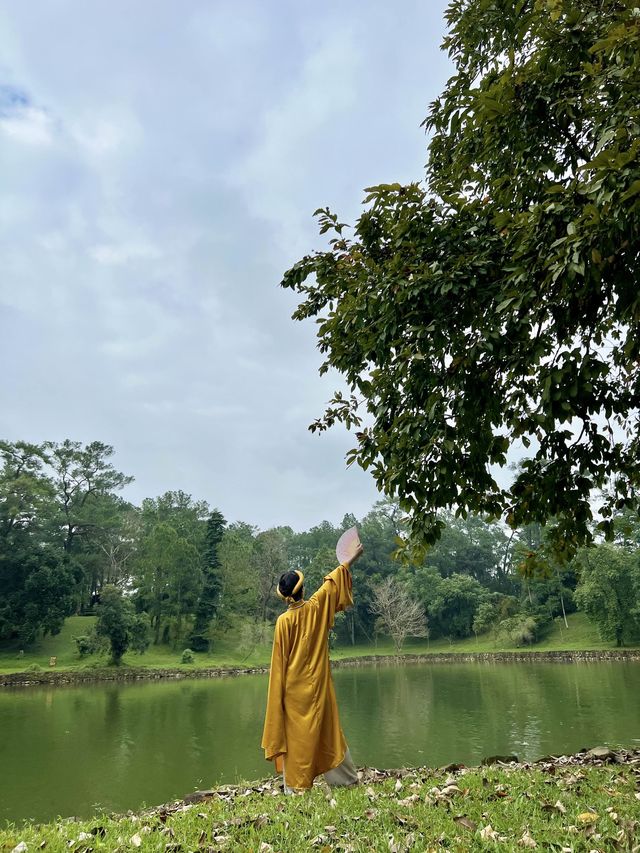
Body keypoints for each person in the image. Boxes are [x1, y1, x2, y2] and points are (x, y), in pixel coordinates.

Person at [261, 545, 364, 793]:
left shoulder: (282, 622)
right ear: (302, 590)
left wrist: (278, 701)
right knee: (329, 731)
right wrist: (349, 560)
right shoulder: (316, 607)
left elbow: (278, 665)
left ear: (283, 595)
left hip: (293, 694)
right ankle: (345, 780)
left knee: (296, 740)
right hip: (318, 688)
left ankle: (295, 788)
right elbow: (332, 582)